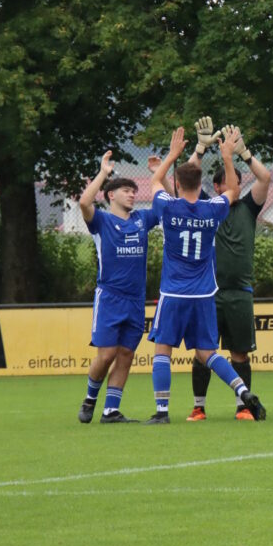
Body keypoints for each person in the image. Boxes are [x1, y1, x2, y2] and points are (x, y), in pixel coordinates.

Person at [144, 125, 267, 424]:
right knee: (208, 353)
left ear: (178, 184)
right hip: (203, 294)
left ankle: (162, 411)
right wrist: (227, 156)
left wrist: (172, 155)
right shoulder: (212, 210)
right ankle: (242, 391)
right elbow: (234, 191)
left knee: (163, 351)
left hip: (174, 292)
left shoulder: (169, 207)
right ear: (201, 186)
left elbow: (156, 181)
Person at [187, 118, 272, 421]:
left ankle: (243, 407)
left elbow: (265, 177)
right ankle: (199, 407)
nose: (236, 185)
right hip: (209, 292)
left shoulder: (248, 207)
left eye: (238, 180)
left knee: (239, 353)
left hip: (239, 292)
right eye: (229, 180)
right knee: (203, 352)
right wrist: (200, 149)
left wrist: (243, 154)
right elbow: (186, 178)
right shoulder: (207, 206)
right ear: (218, 187)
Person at [76, 151, 163, 424]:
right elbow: (84, 202)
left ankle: (110, 411)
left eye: (134, 191)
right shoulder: (101, 221)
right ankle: (90, 399)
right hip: (110, 298)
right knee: (106, 354)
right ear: (111, 195)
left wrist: (158, 174)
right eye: (126, 191)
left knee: (126, 354)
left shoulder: (141, 219)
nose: (132, 195)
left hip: (135, 300)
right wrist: (103, 173)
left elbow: (169, 205)